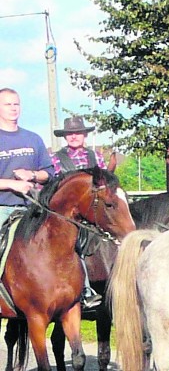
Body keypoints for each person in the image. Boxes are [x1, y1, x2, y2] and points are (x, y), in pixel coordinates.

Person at [50, 115, 110, 309]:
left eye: (77, 133)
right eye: (70, 134)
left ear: (84, 135)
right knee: (74, 245)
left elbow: (105, 185)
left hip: (93, 212)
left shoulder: (96, 157)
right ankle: (84, 290)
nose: (74, 136)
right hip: (67, 216)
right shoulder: (56, 159)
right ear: (65, 137)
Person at [0, 87, 54, 227]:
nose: (13, 108)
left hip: (33, 209)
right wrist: (13, 184)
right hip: (2, 209)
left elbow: (49, 174)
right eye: (8, 104)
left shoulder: (33, 138)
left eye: (16, 104)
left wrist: (32, 175)